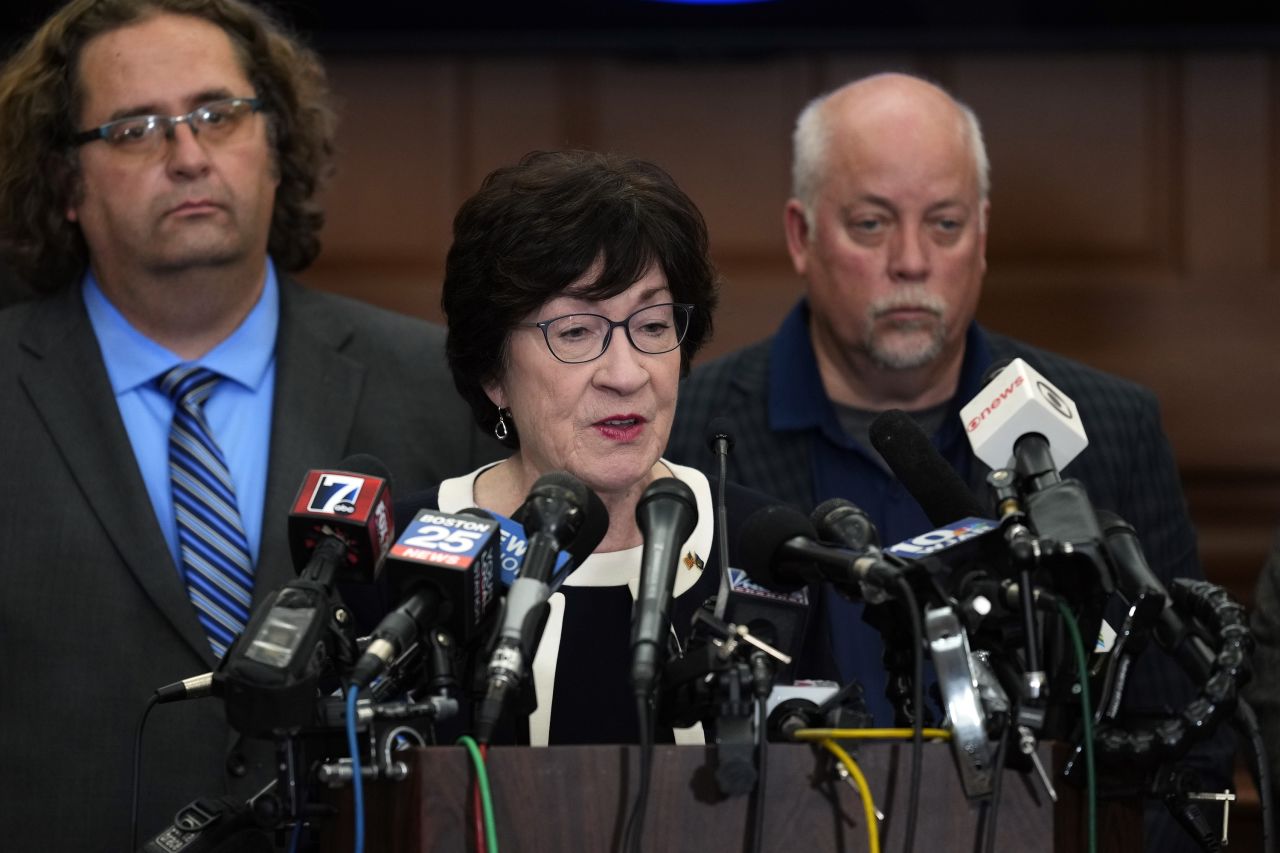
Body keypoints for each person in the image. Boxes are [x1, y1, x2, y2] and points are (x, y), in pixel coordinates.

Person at [665, 72, 1230, 846]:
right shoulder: (690, 431)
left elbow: (1185, 752)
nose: (910, 259)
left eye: (945, 223)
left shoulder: (1110, 428)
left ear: (984, 235)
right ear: (800, 236)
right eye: (870, 224)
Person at [0, 0, 499, 848]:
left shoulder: (442, 387)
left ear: (277, 150)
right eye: (134, 129)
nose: (188, 155)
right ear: (65, 182)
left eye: (218, 115)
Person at [396, 149, 785, 746]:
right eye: (577, 332)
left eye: (652, 326)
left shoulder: (762, 548)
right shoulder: (410, 557)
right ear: (493, 372)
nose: (626, 374)